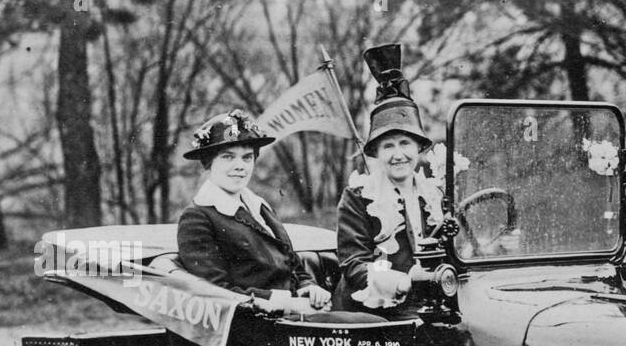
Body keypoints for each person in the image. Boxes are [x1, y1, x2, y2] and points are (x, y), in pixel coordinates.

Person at [177, 109, 330, 313]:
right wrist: (288, 304)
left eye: (247, 158)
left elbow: (291, 261)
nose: (240, 166)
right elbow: (215, 291)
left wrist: (308, 286)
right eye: (228, 157)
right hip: (256, 322)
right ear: (209, 163)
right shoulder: (198, 217)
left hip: (296, 312)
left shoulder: (258, 206)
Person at [335, 45, 442, 315]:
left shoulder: (435, 193)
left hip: (432, 302)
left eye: (405, 143)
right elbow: (355, 263)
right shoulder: (360, 196)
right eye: (388, 146)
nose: (398, 155)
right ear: (377, 153)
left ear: (418, 147)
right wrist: (398, 279)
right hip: (378, 308)